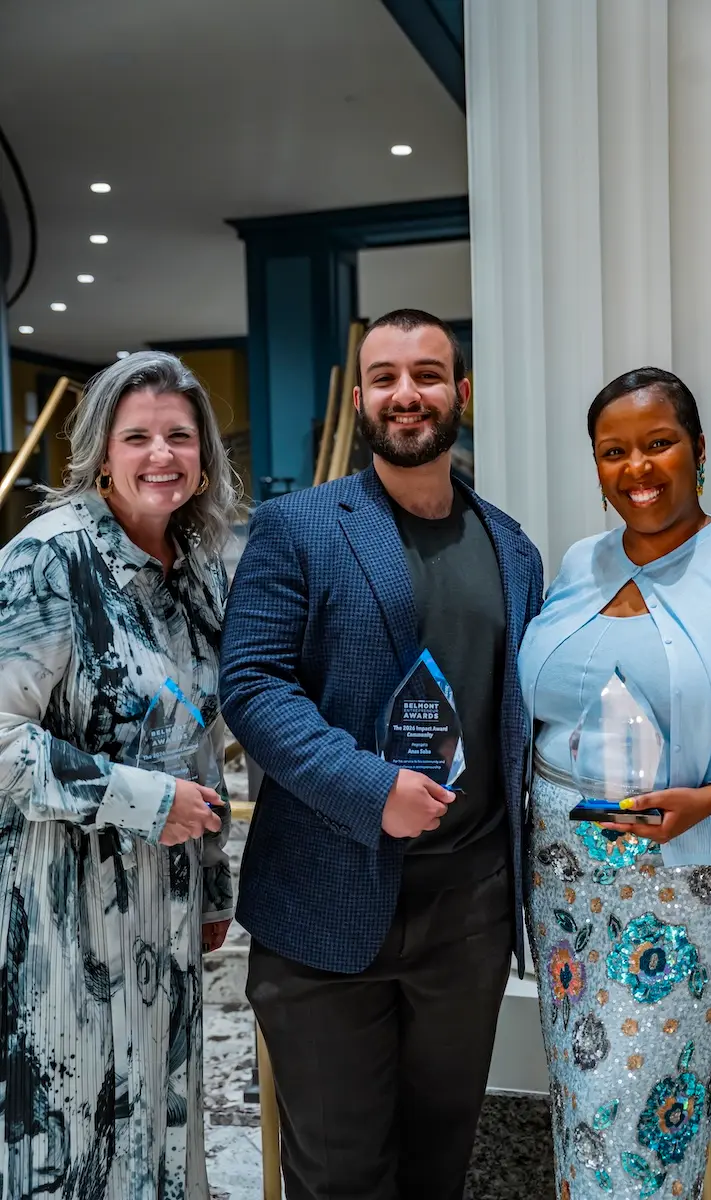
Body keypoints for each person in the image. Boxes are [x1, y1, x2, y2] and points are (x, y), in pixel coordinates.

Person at [220, 308, 543, 1200]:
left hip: (468, 916)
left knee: (440, 1169)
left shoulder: (513, 547)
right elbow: (252, 686)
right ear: (360, 398)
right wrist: (372, 790)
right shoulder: (296, 527)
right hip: (325, 910)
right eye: (386, 378)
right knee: (342, 1178)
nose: (407, 394)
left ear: (460, 393)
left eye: (428, 375)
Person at [519, 366, 711, 1199]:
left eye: (659, 443)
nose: (636, 467)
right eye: (614, 452)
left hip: (689, 889)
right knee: (582, 1106)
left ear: (698, 450)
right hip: (564, 884)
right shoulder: (581, 562)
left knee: (639, 1130)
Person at [0, 351, 240, 1199]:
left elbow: (199, 738)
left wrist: (212, 882)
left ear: (203, 455)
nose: (161, 455)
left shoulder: (199, 568)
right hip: (65, 909)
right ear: (102, 451)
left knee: (160, 1134)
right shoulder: (49, 558)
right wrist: (141, 802)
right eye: (137, 437)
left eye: (180, 436)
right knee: (77, 1141)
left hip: (167, 912)